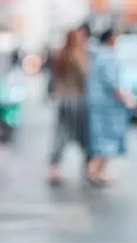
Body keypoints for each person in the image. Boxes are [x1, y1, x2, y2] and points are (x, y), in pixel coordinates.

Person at [84, 27, 137, 186]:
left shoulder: (96, 55)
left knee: (101, 141)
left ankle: (97, 171)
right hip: (106, 108)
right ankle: (93, 171)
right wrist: (128, 100)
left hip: (97, 105)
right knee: (105, 142)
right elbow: (114, 84)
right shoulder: (107, 58)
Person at [46, 29, 88, 185]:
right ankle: (89, 164)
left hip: (61, 98)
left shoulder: (61, 55)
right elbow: (85, 74)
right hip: (75, 98)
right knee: (80, 132)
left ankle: (53, 166)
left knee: (61, 131)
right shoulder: (76, 56)